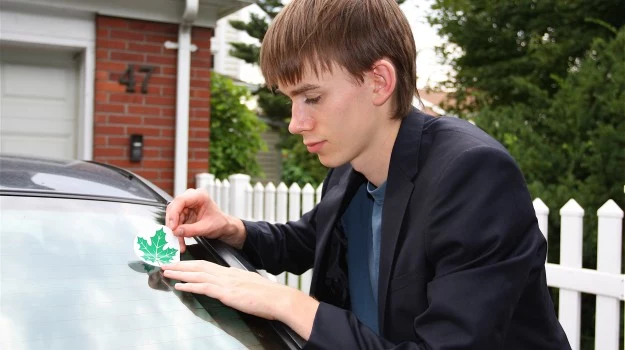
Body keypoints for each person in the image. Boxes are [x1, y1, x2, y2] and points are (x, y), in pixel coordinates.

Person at [162, 0, 572, 348]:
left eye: (312, 97)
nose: (295, 122)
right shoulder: (350, 167)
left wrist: (286, 302)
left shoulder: (473, 175)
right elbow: (310, 239)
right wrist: (233, 229)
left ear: (379, 81)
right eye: (291, 100)